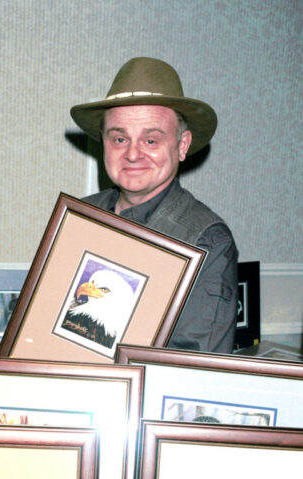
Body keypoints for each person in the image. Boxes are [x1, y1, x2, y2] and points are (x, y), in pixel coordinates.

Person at [70, 57, 238, 354]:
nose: (133, 154)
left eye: (151, 140)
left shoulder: (206, 241)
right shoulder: (80, 219)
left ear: (182, 145)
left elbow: (195, 371)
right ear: (104, 144)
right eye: (120, 138)